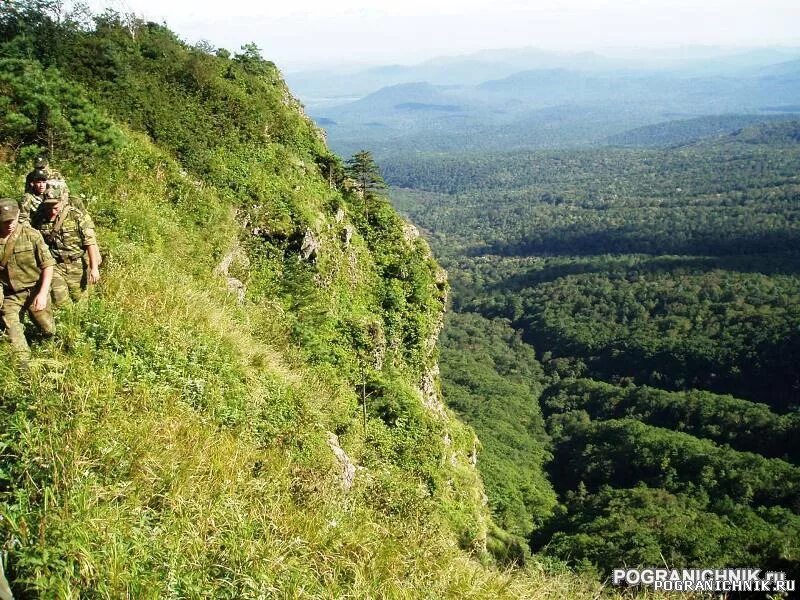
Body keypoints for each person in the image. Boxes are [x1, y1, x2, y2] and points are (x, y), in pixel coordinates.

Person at [0, 198, 56, 362]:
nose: (9, 224)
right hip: (11, 295)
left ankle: (48, 349)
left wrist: (43, 293)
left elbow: (48, 265)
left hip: (35, 290)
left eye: (12, 220)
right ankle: (25, 371)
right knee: (15, 339)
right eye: (4, 221)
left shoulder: (31, 235)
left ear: (18, 215)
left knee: (48, 329)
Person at [32, 183, 101, 306]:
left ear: (62, 202)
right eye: (49, 208)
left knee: (80, 301)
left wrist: (94, 268)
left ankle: (77, 323)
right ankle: (65, 321)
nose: (52, 211)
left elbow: (89, 242)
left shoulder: (76, 216)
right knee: (60, 302)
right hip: (56, 265)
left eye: (55, 208)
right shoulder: (39, 217)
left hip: (77, 264)